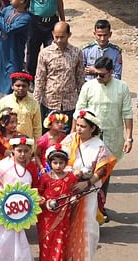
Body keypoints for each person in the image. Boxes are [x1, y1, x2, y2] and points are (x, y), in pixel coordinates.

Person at [75, 56, 132, 216]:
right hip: (90, 138)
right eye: (96, 74)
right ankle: (82, 209)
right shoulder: (88, 86)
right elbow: (79, 111)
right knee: (85, 171)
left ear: (111, 72)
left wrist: (129, 138)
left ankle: (99, 208)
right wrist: (74, 135)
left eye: (102, 75)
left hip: (112, 138)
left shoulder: (122, 87)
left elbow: (127, 113)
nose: (98, 78)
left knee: (104, 174)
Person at [61, 109, 116, 261]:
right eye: (77, 125)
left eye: (83, 126)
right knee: (65, 224)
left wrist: (86, 182)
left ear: (92, 128)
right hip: (67, 189)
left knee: (87, 226)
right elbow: (56, 160)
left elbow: (103, 169)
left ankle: (83, 256)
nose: (79, 129)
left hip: (88, 192)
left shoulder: (99, 146)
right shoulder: (69, 140)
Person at [0, 137, 39, 261]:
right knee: (4, 235)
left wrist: (38, 197)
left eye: (26, 151)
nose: (22, 154)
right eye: (19, 151)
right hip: (4, 206)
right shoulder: (3, 165)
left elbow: (35, 186)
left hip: (22, 208)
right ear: (12, 150)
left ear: (30, 151)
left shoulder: (32, 167)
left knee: (19, 233)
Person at [34, 22, 84, 126]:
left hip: (70, 104)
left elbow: (80, 78)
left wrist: (83, 101)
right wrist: (35, 104)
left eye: (62, 37)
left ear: (69, 35)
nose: (59, 40)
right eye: (56, 37)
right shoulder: (45, 53)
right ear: (52, 34)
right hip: (49, 103)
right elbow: (40, 79)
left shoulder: (76, 52)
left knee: (68, 138)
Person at [26, 0, 66, 75]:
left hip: (52, 22)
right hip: (35, 22)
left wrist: (63, 21)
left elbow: (59, 0)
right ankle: (31, 77)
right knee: (33, 51)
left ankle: (48, 75)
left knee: (52, 50)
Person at [37, 144, 76, 261]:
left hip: (64, 216)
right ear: (49, 163)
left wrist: (74, 199)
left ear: (66, 163)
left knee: (61, 241)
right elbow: (38, 194)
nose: (58, 166)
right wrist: (44, 202)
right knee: (46, 241)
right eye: (55, 162)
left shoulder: (71, 177)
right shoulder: (45, 178)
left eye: (61, 162)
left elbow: (74, 192)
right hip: (46, 217)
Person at [0, 72, 42, 141]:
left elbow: (37, 128)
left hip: (26, 145)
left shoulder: (34, 104)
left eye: (24, 86)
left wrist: (37, 147)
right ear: (12, 86)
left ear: (28, 87)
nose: (21, 88)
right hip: (6, 143)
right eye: (18, 85)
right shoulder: (4, 101)